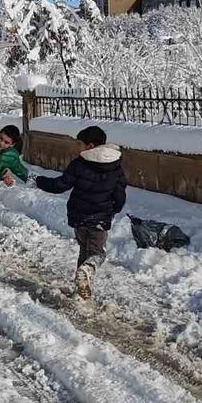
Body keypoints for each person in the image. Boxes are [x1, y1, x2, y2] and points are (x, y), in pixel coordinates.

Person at [33, 126, 126, 299]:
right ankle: (86, 272)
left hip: (79, 217)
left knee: (84, 251)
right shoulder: (116, 167)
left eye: (79, 144)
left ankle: (80, 289)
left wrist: (38, 180)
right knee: (97, 254)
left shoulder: (79, 164)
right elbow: (120, 197)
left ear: (90, 145)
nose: (77, 147)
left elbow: (59, 185)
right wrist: (113, 210)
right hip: (100, 219)